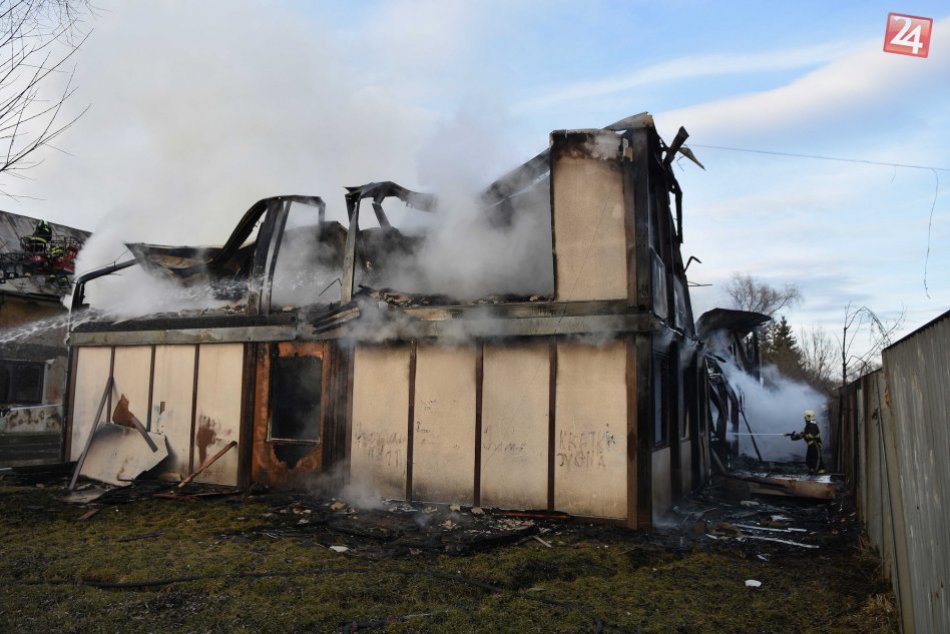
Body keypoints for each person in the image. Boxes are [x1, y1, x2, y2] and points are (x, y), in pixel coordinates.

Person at [787, 410, 825, 474]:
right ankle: (812, 470)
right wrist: (792, 435)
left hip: (815, 445)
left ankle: (821, 471)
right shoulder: (808, 426)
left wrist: (804, 434)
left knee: (815, 458)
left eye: (805, 417)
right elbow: (801, 435)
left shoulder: (813, 425)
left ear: (808, 417)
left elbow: (811, 435)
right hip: (811, 445)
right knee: (809, 459)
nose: (804, 419)